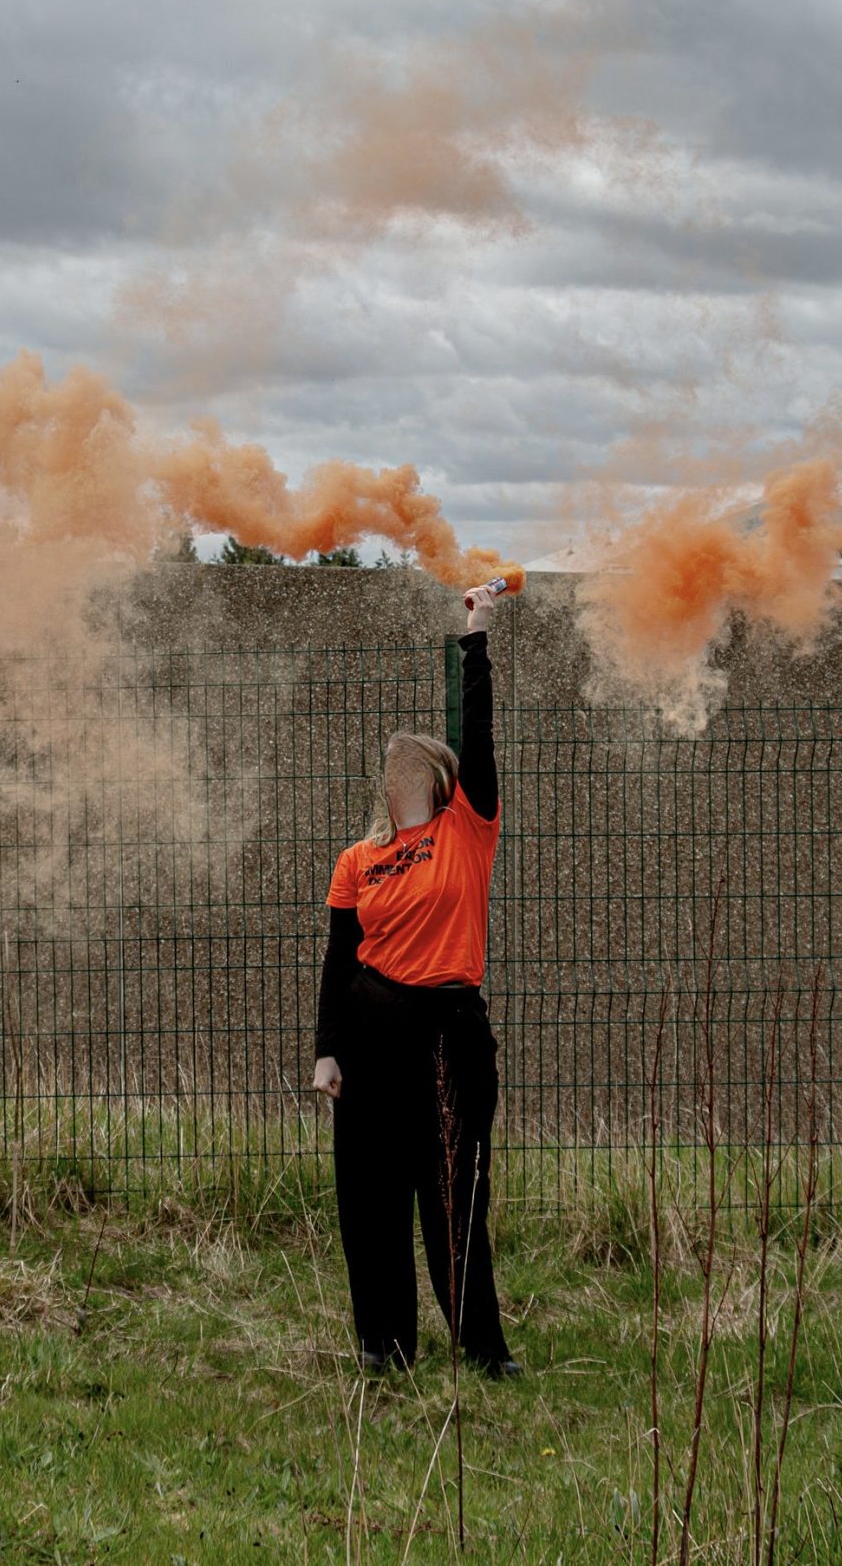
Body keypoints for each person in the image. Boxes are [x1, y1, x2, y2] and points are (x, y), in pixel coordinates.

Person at [311, 584, 518, 1379]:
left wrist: (477, 634)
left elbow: (480, 729)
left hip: (448, 1034)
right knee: (370, 1198)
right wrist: (329, 1051)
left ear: (438, 776)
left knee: (454, 1194)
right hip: (367, 1039)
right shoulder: (356, 860)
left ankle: (482, 1348)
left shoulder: (468, 827)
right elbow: (337, 961)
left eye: (418, 758)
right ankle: (384, 1344)